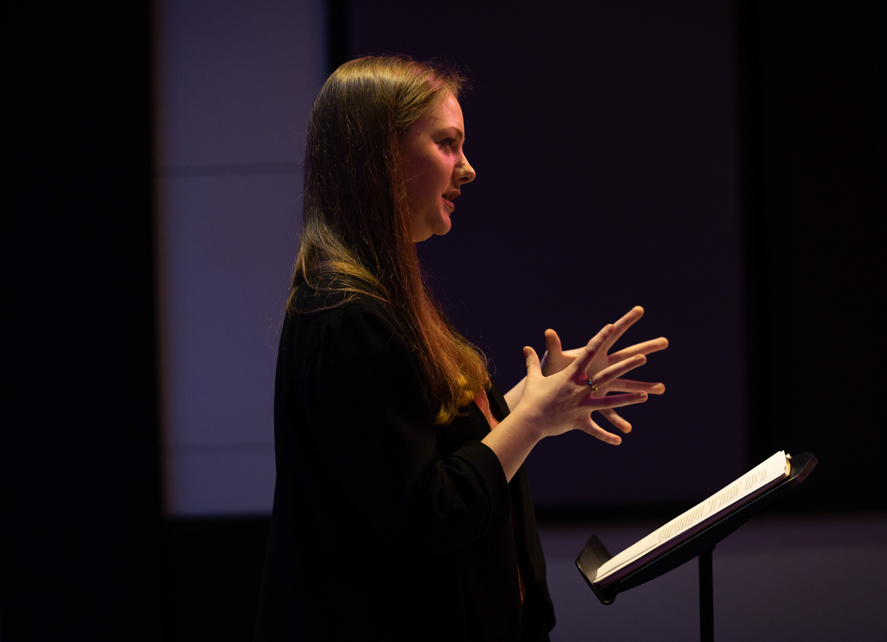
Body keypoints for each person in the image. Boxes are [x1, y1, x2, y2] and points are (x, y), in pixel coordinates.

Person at [254, 55, 668, 641]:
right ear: (382, 156)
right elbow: (427, 512)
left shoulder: (378, 302)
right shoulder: (346, 316)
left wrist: (538, 400)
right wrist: (530, 418)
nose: (468, 169)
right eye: (448, 144)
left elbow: (431, 450)